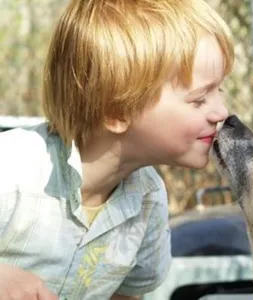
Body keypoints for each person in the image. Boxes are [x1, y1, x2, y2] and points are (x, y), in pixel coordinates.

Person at [0, 0, 234, 299]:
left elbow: (126, 294)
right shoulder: (12, 169)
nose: (222, 112)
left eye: (220, 91)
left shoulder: (148, 200)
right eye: (199, 99)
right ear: (116, 112)